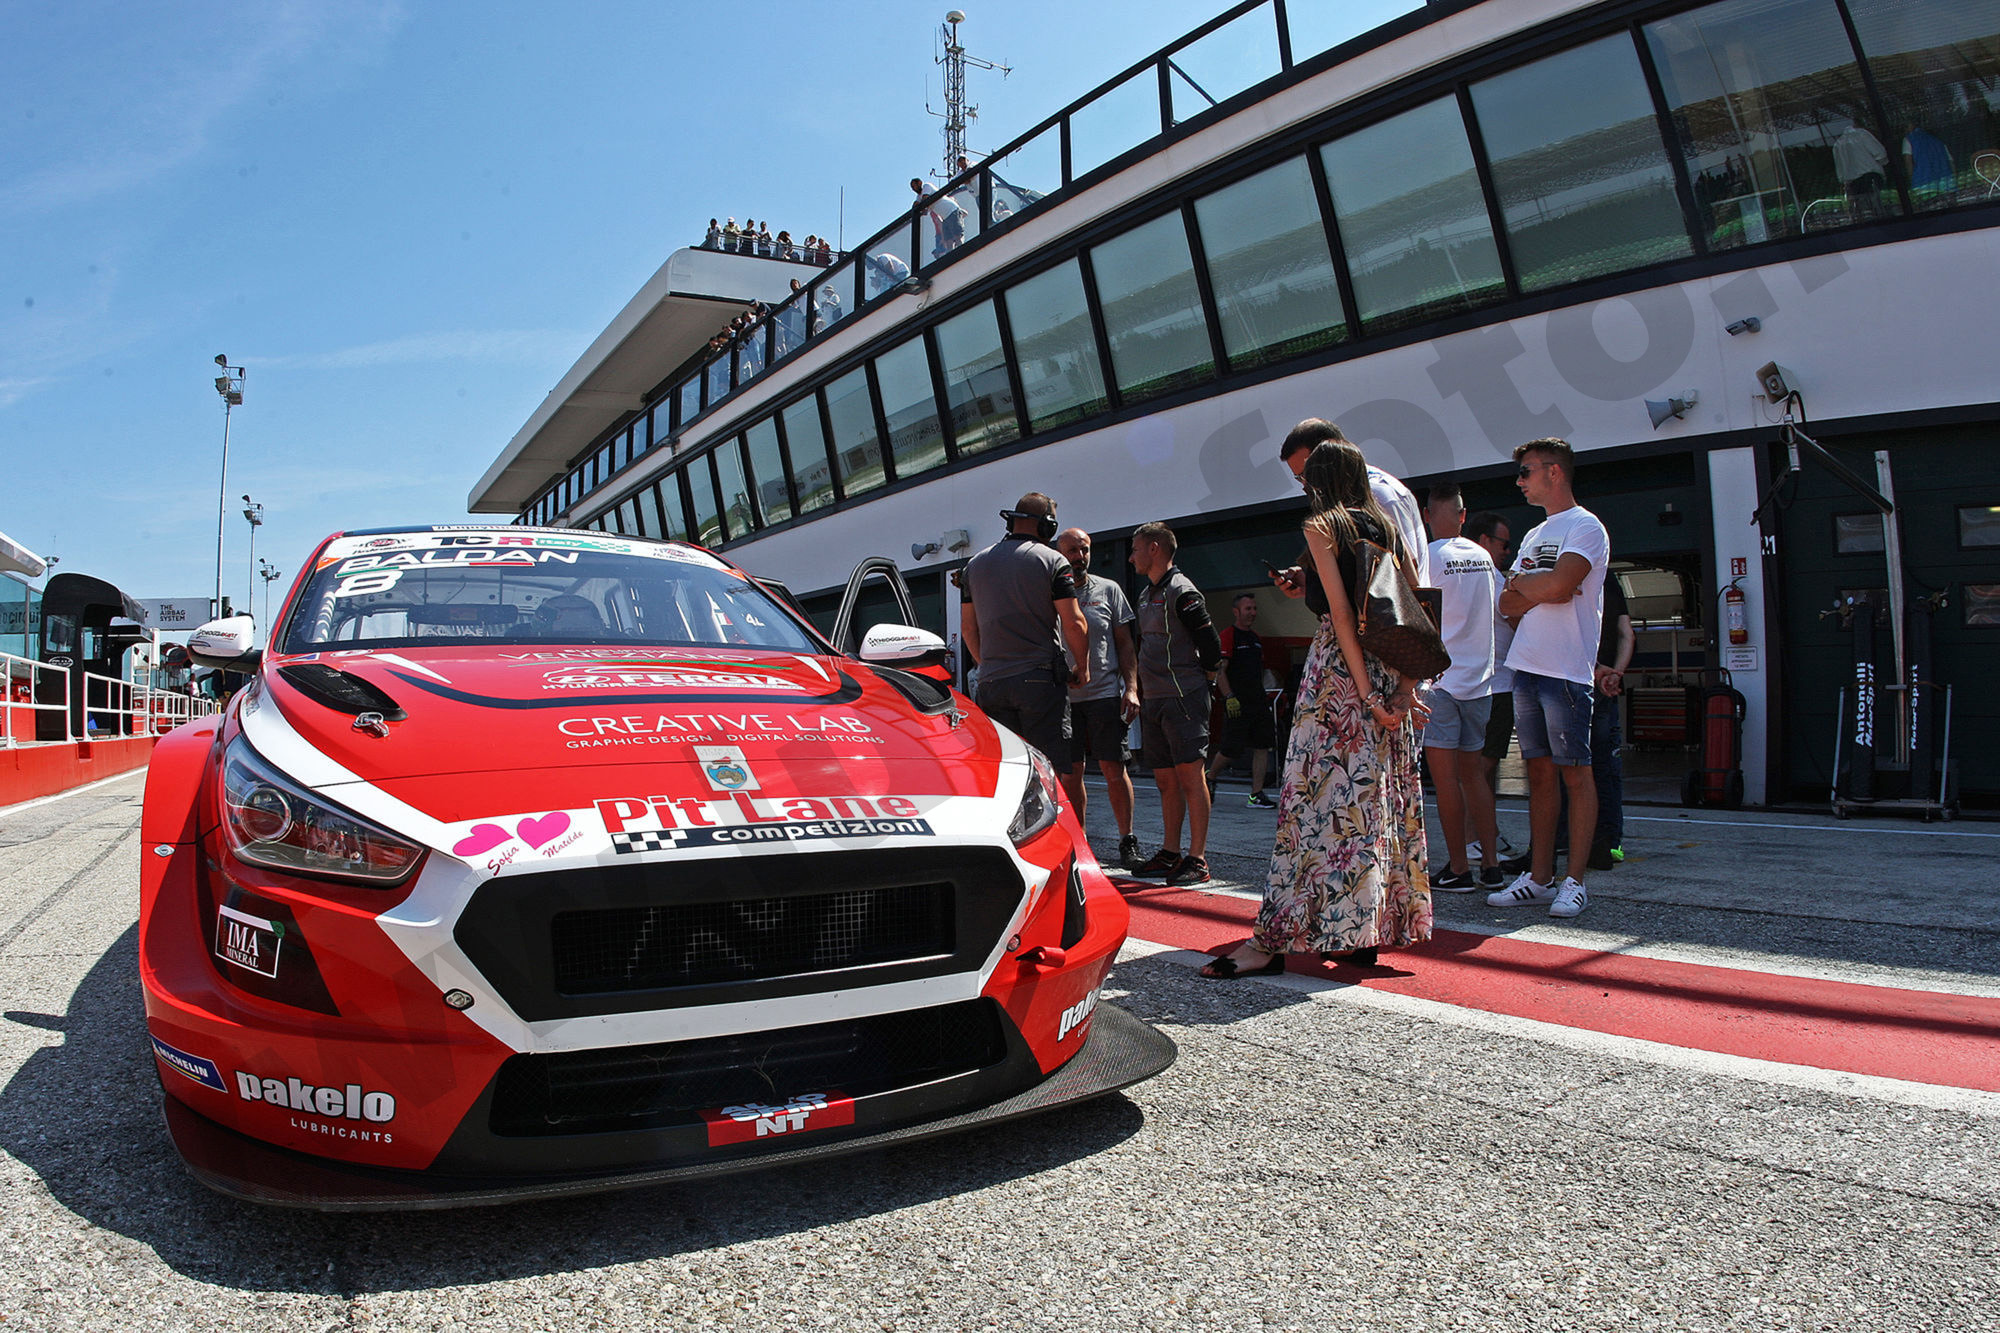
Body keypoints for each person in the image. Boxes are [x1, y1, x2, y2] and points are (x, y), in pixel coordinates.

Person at [1202, 433, 1431, 978]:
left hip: (1340, 677)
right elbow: (1414, 606)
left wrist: (1367, 695)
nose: (1302, 487)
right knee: (1370, 807)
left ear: (1321, 480)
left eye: (1306, 478)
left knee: (1308, 808)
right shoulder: (1387, 526)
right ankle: (1359, 933)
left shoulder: (1323, 526)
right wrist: (1405, 688)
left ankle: (1272, 943)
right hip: (1387, 670)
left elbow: (1342, 618)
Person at [1487, 438, 1608, 920]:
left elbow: (1559, 585)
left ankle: (1574, 882)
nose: (1519, 481)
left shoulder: (1586, 526)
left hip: (1566, 671)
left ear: (1554, 472)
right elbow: (1506, 602)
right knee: (1538, 775)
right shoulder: (1536, 534)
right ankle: (1539, 878)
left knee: (1576, 773)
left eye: (1526, 471)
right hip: (1527, 667)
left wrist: (1533, 585)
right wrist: (1541, 587)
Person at [961, 494, 1092, 775]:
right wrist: (1082, 666)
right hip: (1039, 682)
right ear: (1047, 525)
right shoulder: (1053, 561)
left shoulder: (974, 565)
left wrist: (987, 664)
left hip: (992, 683)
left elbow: (968, 628)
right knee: (1047, 770)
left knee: (1007, 770)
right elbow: (1074, 623)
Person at [1128, 522, 1222, 886]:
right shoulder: (1145, 594)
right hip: (1154, 699)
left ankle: (1197, 860)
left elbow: (1210, 644)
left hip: (1184, 697)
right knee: (1166, 781)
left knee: (1190, 778)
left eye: (1135, 549)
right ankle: (1170, 853)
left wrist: (1206, 682)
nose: (1131, 557)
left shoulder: (1182, 591)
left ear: (1154, 548)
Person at [1422, 484, 1500, 891]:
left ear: (1427, 516)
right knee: (1475, 777)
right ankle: (1491, 864)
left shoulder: (1427, 558)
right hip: (1481, 681)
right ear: (1463, 516)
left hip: (1441, 682)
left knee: (1446, 782)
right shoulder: (1485, 557)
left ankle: (1458, 868)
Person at [1054, 527, 1141, 869]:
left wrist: (1131, 688)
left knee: (1113, 768)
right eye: (1072, 551)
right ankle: (1079, 842)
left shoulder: (1109, 590)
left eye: (1085, 550)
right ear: (1060, 555)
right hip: (1064, 698)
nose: (1080, 557)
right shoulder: (1047, 593)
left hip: (1104, 693)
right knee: (1070, 774)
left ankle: (1127, 840)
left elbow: (1125, 644)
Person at [1463, 510, 1519, 864]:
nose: (1507, 552)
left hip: (1477, 682)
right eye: (1504, 544)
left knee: (1487, 764)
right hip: (1494, 684)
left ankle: (1486, 833)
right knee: (1482, 767)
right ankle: (1474, 838)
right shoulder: (1493, 580)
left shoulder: (1464, 577)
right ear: (1485, 541)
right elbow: (1517, 617)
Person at [1204, 593, 1277, 808]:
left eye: (1254, 608)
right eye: (1248, 609)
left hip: (1258, 701)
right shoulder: (1228, 636)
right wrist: (1229, 697)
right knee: (1231, 749)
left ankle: (1256, 794)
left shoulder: (1255, 639)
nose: (1252, 613)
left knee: (1262, 746)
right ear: (1236, 612)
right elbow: (1220, 671)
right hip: (1237, 701)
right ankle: (1210, 777)